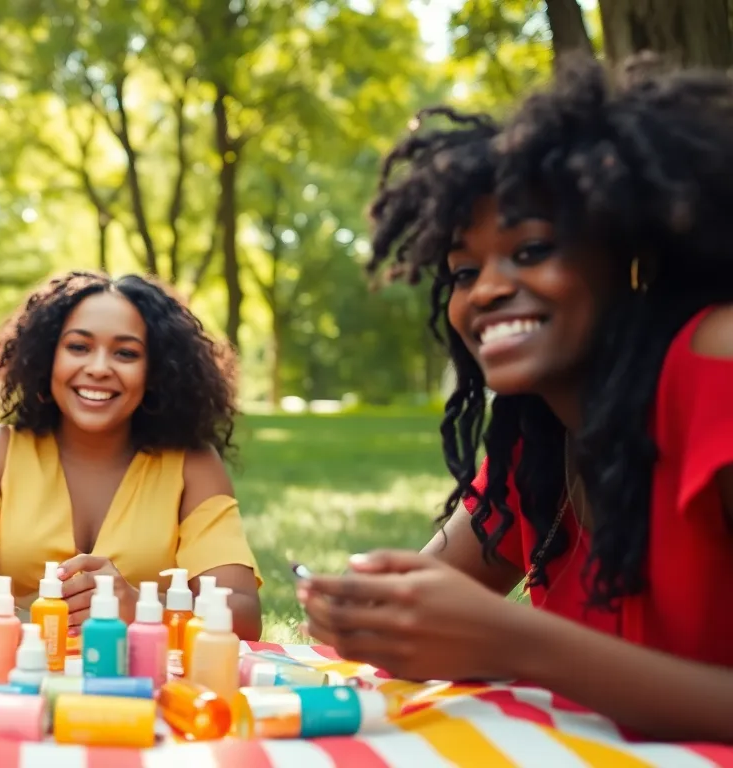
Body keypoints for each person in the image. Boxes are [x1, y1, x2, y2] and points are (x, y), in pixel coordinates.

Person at [296, 54, 733, 742]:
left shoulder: (716, 368)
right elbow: (416, 608)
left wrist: (517, 642)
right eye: (465, 270)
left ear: (631, 261)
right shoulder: (539, 438)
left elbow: (497, 635)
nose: (487, 290)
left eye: (529, 251)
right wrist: (363, 609)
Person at [0, 271, 262, 648]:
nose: (98, 367)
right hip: (14, 686)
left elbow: (243, 613)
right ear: (47, 357)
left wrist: (137, 605)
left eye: (126, 353)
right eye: (78, 347)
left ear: (156, 371)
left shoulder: (193, 465)